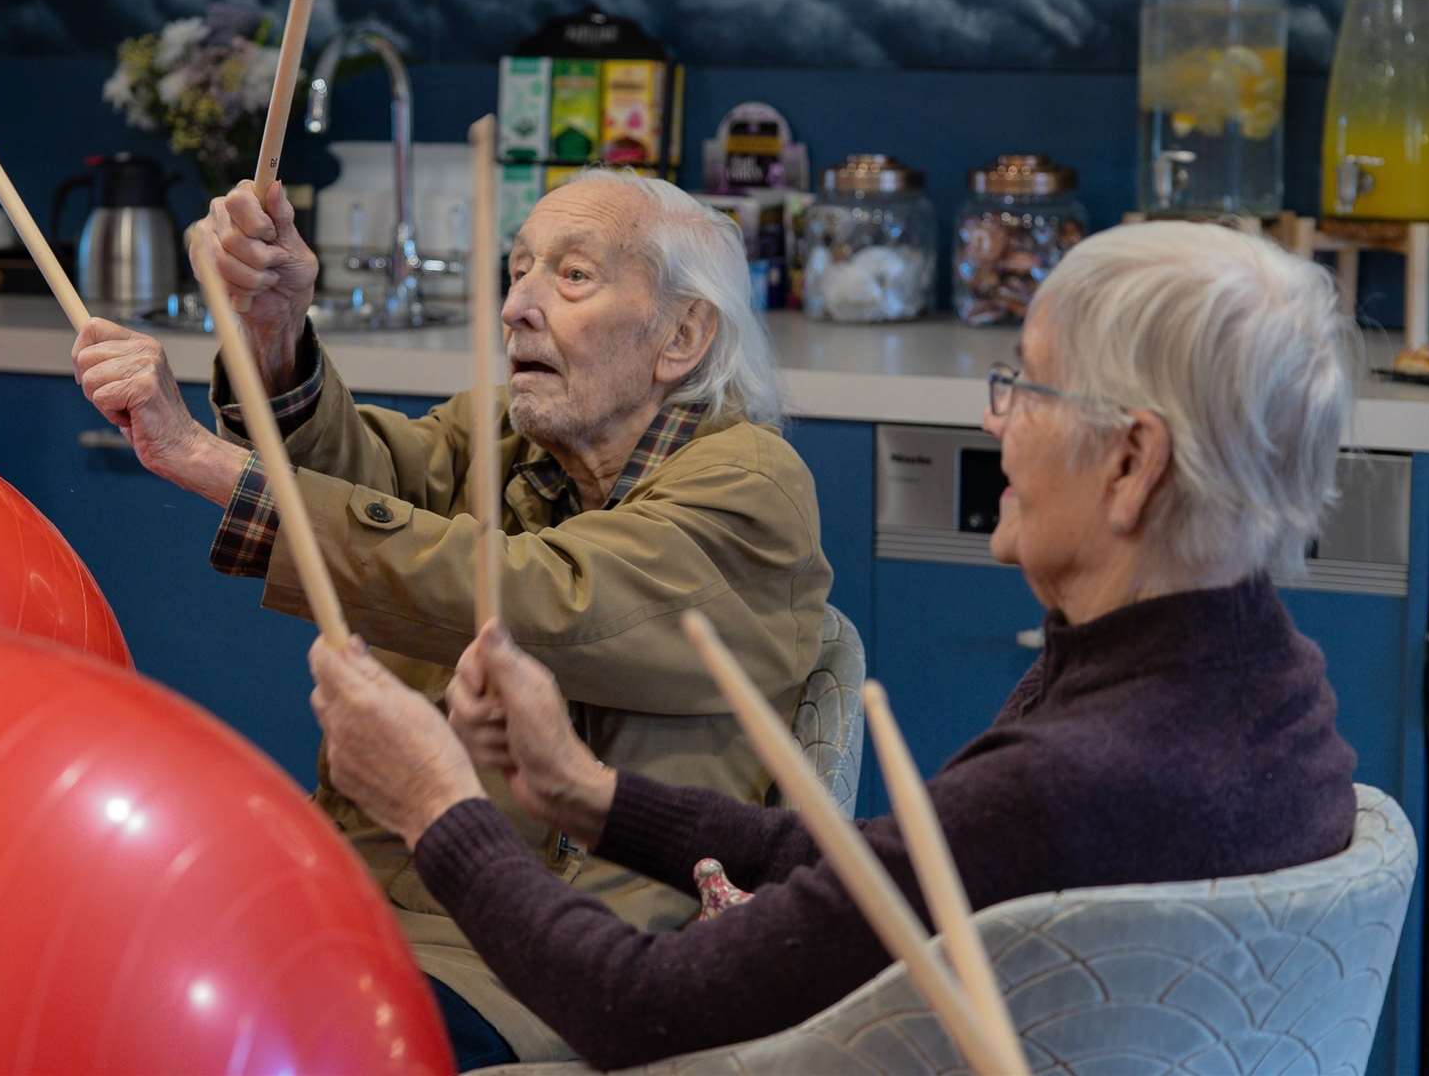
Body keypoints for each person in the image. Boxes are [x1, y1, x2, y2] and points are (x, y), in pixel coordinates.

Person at [308, 220, 1361, 1070]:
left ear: (1130, 463)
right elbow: (902, 863)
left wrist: (437, 807)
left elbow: (637, 1007)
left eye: (1028, 387)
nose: (996, 421)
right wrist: (589, 794)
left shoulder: (1068, 783)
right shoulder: (1267, 687)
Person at [68, 169, 832, 1065]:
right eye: (518, 270)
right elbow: (368, 485)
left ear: (683, 335)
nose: (518, 307)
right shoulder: (513, 438)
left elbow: (536, 599)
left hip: (535, 952)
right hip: (363, 896)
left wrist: (206, 461)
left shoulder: (751, 485)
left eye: (573, 276)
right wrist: (273, 334)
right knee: (103, 976)